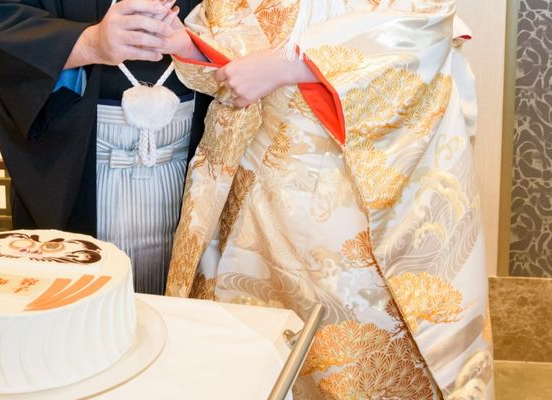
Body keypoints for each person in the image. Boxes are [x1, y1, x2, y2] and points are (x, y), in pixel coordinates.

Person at [162, 0, 493, 398]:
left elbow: (421, 25)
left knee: (351, 360)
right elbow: (237, 35)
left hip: (354, 193)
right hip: (256, 187)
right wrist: (188, 44)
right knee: (249, 352)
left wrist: (289, 65)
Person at [0, 0, 209, 294]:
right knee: (77, 302)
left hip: (200, 156)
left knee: (187, 305)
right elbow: (1, 15)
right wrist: (91, 43)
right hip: (79, 152)